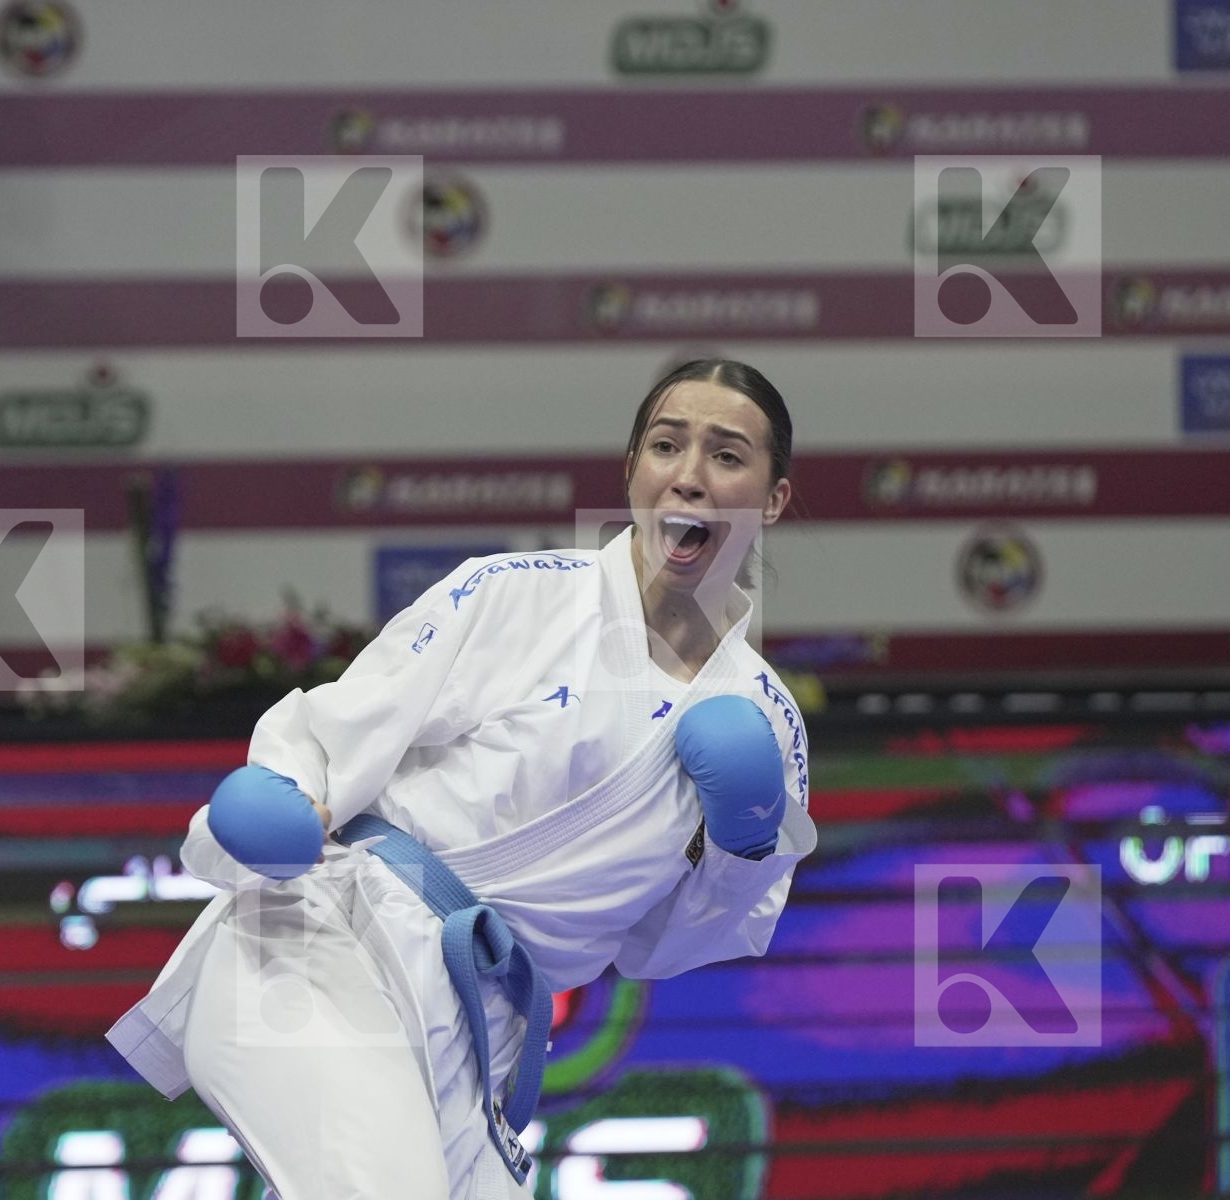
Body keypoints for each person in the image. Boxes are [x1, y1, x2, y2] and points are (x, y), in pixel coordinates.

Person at [108, 359, 819, 1199]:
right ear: (633, 468)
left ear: (773, 498)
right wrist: (285, 794)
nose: (690, 476)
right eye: (667, 445)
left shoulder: (769, 722)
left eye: (728, 456)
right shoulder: (514, 596)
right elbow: (336, 730)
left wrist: (741, 847)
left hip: (478, 1034)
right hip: (327, 952)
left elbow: (671, 944)